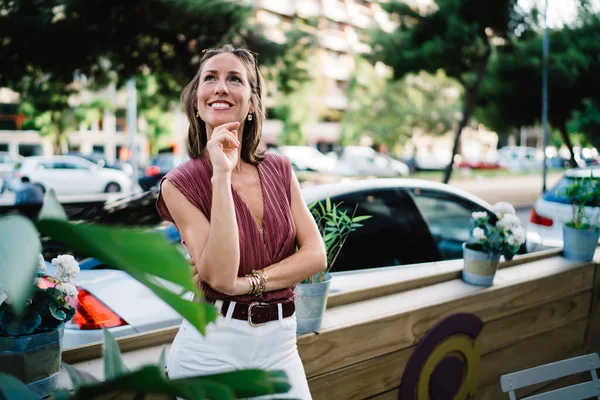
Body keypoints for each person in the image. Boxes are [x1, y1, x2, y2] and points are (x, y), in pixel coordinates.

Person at [156, 45, 327, 399]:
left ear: (252, 103)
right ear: (197, 101)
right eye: (210, 78)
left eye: (235, 78)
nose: (221, 87)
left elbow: (315, 255)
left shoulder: (280, 169)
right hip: (212, 349)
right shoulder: (179, 184)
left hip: (281, 344)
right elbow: (219, 275)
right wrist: (221, 174)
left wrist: (249, 284)